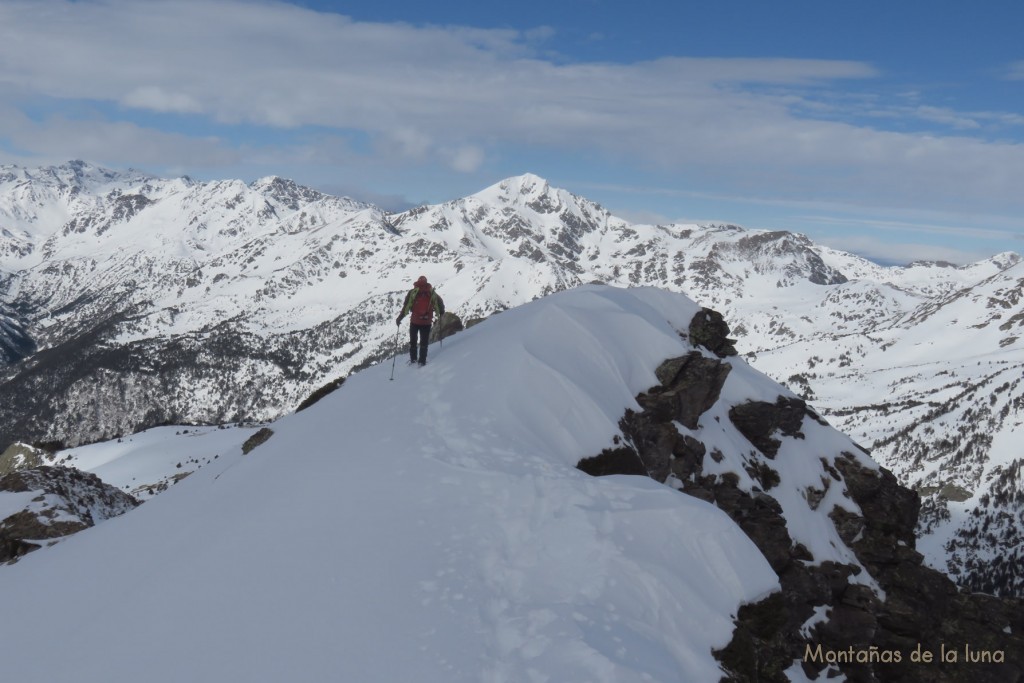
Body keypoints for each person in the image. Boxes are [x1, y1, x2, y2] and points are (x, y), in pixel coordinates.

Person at [396, 275, 445, 365]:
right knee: (424, 342)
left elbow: (406, 307)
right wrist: (441, 313)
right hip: (427, 321)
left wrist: (399, 318)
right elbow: (440, 303)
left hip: (415, 321)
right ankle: (422, 361)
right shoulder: (431, 292)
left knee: (413, 341)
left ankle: (413, 359)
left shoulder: (413, 292)